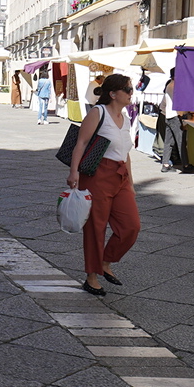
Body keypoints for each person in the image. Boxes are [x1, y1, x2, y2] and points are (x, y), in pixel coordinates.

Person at [65, 74, 140, 297]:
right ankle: (91, 276)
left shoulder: (125, 118)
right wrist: (74, 172)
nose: (131, 93)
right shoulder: (98, 113)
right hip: (98, 175)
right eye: (128, 89)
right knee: (95, 227)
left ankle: (106, 262)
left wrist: (131, 183)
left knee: (131, 226)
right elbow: (81, 143)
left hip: (120, 175)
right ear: (113, 93)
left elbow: (125, 153)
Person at [159, 68, 188, 172]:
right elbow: (179, 103)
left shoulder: (169, 86)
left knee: (168, 142)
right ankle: (185, 165)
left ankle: (165, 164)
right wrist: (183, 115)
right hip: (175, 116)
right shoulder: (176, 86)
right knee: (180, 142)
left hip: (168, 115)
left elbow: (164, 103)